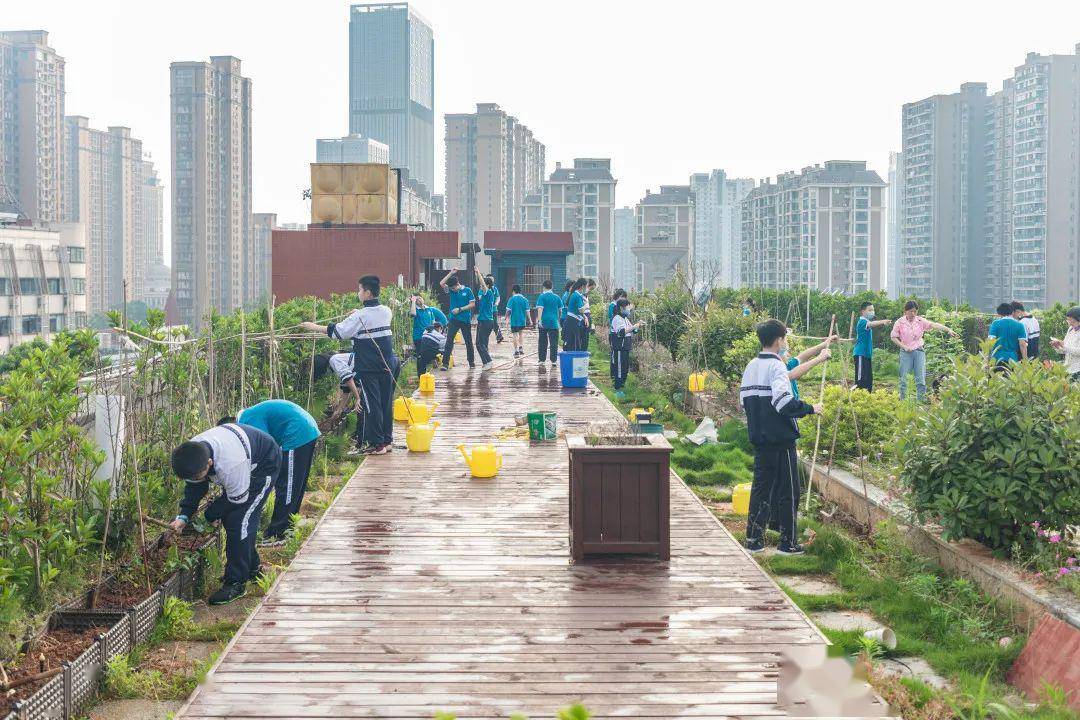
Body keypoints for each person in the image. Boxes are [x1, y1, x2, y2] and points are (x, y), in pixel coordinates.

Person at [170, 422, 281, 605]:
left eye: (199, 475)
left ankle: (236, 583)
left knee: (239, 522)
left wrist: (208, 516)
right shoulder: (191, 452)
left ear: (209, 463)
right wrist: (184, 516)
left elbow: (236, 500)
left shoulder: (230, 465)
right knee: (234, 520)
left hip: (264, 465)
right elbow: (195, 487)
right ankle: (252, 568)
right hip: (243, 453)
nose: (196, 479)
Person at [739, 320, 821, 556]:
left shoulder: (751, 366)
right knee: (789, 490)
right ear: (778, 340)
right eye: (785, 338)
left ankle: (754, 540)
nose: (785, 343)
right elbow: (783, 402)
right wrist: (810, 408)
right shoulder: (777, 367)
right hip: (781, 440)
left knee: (761, 489)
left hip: (760, 438)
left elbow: (743, 402)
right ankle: (788, 543)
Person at [301, 275, 399, 455]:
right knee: (385, 402)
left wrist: (313, 326)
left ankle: (376, 445)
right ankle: (386, 440)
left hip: (369, 367)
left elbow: (339, 332)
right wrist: (357, 314)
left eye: (360, 290)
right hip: (387, 364)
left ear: (367, 293)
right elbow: (367, 319)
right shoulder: (386, 310)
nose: (358, 293)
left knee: (372, 405)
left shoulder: (360, 316)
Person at [220, 400, 321, 547]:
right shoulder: (251, 414)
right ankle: (289, 526)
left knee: (287, 485)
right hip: (305, 430)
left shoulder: (247, 420)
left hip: (297, 434)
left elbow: (264, 445)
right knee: (294, 484)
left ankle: (279, 532)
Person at [889, 300, 959, 402]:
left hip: (919, 352)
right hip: (906, 353)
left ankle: (920, 403)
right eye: (910, 311)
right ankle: (903, 402)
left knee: (920, 379)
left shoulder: (920, 321)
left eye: (915, 311)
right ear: (905, 311)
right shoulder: (899, 322)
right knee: (904, 379)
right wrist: (903, 346)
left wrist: (948, 330)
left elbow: (934, 325)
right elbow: (893, 337)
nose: (913, 314)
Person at [439, 268, 477, 369]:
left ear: (457, 285)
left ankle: (471, 362)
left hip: (465, 320)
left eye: (453, 288)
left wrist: (460, 309)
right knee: (449, 340)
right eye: (450, 289)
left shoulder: (467, 290)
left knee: (468, 342)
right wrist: (451, 273)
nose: (452, 290)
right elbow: (442, 283)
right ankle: (445, 364)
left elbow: (472, 304)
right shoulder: (451, 291)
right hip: (454, 320)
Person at [852, 302, 892, 392]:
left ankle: (867, 400)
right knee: (860, 381)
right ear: (863, 311)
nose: (872, 312)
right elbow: (872, 324)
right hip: (860, 354)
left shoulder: (866, 322)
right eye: (869, 310)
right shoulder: (862, 322)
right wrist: (883, 321)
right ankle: (853, 397)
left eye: (873, 310)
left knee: (868, 380)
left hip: (867, 355)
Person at [610, 298, 645, 399]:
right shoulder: (617, 318)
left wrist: (638, 325)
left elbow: (632, 331)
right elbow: (621, 332)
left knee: (625, 368)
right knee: (619, 368)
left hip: (626, 347)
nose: (628, 309)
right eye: (627, 307)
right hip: (619, 348)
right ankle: (617, 388)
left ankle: (622, 386)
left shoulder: (625, 318)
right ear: (621, 308)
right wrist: (634, 327)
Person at [786, 334, 838, 399]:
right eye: (786, 349)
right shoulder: (776, 368)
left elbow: (802, 357)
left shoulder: (786, 365)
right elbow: (791, 375)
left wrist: (825, 344)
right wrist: (819, 358)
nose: (787, 352)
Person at [408, 295, 446, 376]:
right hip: (419, 337)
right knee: (421, 356)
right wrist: (413, 302)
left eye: (420, 298)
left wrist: (437, 332)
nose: (419, 299)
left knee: (430, 351)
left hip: (429, 337)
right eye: (417, 299)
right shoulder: (415, 310)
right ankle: (421, 375)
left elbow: (433, 322)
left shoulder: (429, 309)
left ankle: (432, 360)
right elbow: (412, 314)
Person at [989, 302, 1028, 371]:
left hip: (996, 359)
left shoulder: (995, 324)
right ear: (1012, 312)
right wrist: (1025, 361)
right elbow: (1022, 345)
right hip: (1012, 360)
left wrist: (987, 359)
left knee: (995, 381)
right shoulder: (1020, 325)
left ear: (999, 313)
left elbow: (991, 342)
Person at [474, 269, 497, 370]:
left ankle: (488, 361)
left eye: (483, 285)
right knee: (481, 343)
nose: (481, 287)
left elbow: (482, 284)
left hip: (486, 321)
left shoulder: (489, 293)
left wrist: (478, 272)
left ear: (487, 285)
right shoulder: (485, 294)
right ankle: (486, 362)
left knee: (479, 344)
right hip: (484, 321)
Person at [535, 280, 563, 366]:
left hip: (544, 322)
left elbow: (540, 309)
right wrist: (558, 320)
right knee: (554, 342)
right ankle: (554, 360)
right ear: (552, 287)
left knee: (543, 342)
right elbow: (560, 310)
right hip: (554, 322)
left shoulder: (542, 297)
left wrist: (539, 320)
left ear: (543, 287)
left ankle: (542, 360)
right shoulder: (557, 297)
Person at [1049, 306, 1080, 381]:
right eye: (1068, 320)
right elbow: (1064, 349)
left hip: (1077, 370)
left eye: (1072, 321)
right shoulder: (1071, 329)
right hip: (1067, 369)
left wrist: (1064, 346)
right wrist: (1057, 346)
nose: (1070, 323)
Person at [504, 285, 531, 358]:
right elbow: (528, 311)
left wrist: (506, 317)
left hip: (514, 321)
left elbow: (508, 310)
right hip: (522, 320)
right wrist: (530, 320)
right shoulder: (525, 299)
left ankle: (516, 351)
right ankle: (521, 348)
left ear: (513, 291)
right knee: (521, 334)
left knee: (515, 335)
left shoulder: (512, 299)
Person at [563, 278, 589, 351]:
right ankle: (572, 360)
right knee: (573, 342)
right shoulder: (577, 296)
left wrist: (585, 317)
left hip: (572, 320)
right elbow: (581, 310)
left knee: (573, 341)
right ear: (582, 286)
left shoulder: (575, 294)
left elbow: (577, 310)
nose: (586, 289)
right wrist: (586, 303)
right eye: (585, 286)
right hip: (573, 321)